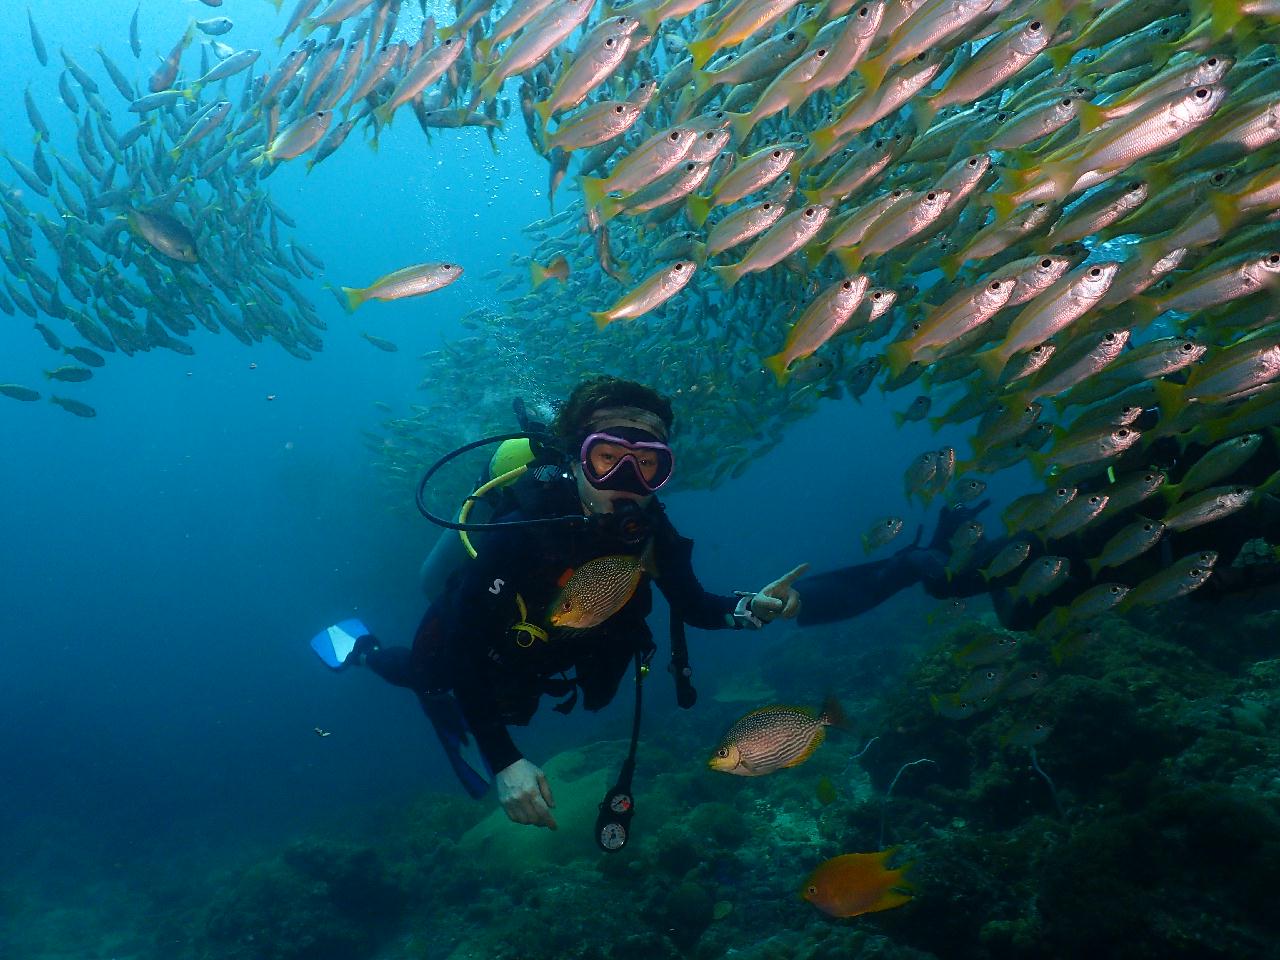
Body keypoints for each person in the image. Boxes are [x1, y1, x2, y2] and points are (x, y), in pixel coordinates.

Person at [313, 377, 807, 831]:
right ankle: (361, 649)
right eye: (607, 457)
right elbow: (464, 648)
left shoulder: (652, 532)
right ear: (575, 460)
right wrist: (505, 761)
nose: (626, 479)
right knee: (429, 673)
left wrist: (748, 610)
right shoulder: (521, 531)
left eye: (648, 463)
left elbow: (695, 604)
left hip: (562, 650)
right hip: (482, 644)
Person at [795, 418, 1280, 634]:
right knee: (949, 582)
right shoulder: (1216, 419)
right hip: (1075, 530)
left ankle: (939, 554)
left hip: (1124, 561)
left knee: (1018, 615)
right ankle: (819, 593)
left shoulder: (1256, 489)